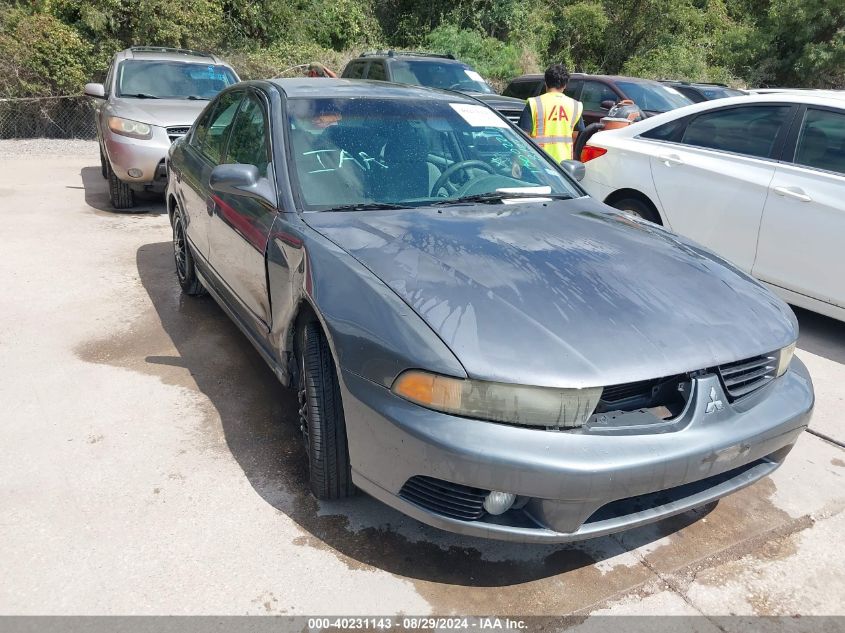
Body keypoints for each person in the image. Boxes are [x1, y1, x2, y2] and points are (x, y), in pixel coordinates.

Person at [518, 64, 584, 162]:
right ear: (565, 85)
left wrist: (517, 162)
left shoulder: (534, 103)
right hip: (563, 165)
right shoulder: (575, 106)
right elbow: (575, 135)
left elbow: (523, 137)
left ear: (546, 82)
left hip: (537, 163)